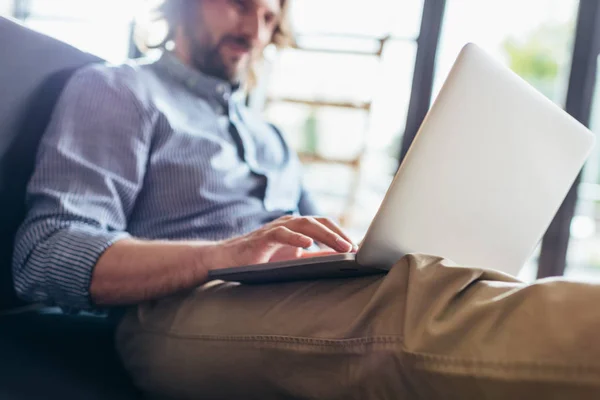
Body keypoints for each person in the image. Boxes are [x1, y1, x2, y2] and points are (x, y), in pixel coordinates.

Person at [12, 0, 600, 398]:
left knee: (435, 281)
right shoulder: (119, 90)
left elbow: (326, 237)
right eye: (239, 3)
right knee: (416, 314)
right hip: (168, 313)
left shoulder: (268, 136)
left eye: (269, 15)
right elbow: (47, 251)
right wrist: (220, 254)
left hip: (278, 299)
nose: (254, 27)